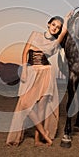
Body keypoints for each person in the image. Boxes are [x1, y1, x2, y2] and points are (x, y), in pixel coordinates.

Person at [6, 11, 74, 146]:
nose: (55, 28)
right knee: (26, 104)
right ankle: (45, 135)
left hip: (46, 73)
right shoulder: (35, 34)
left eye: (58, 27)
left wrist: (66, 20)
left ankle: (37, 140)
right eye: (53, 24)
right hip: (31, 72)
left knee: (42, 107)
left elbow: (64, 32)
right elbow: (25, 52)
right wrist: (24, 69)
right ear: (48, 24)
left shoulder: (56, 41)